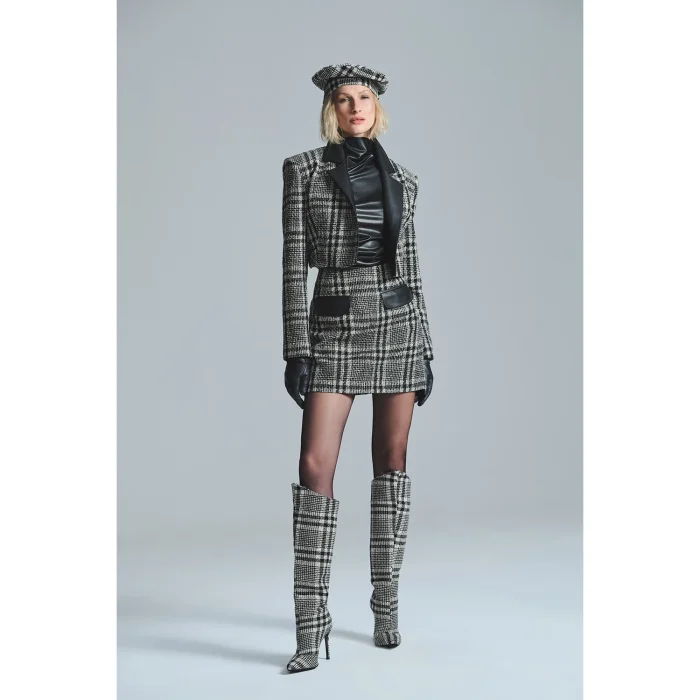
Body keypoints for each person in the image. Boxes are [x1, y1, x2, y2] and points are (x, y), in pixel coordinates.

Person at [282, 63, 435, 673]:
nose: (355, 107)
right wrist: (297, 348)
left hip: (398, 326)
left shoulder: (404, 179)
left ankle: (386, 605)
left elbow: (412, 268)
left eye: (363, 97)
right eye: (343, 99)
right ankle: (309, 629)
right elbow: (293, 265)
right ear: (331, 109)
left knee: (391, 463)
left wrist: (426, 349)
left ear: (376, 107)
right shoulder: (303, 170)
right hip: (335, 324)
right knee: (314, 466)